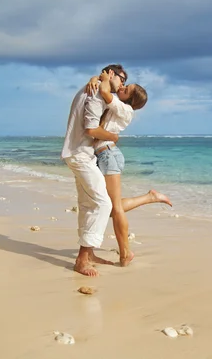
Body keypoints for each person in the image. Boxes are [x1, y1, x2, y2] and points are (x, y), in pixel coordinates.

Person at [87, 72, 172, 266]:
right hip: (103, 155)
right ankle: (150, 197)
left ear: (131, 99)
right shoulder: (117, 104)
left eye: (127, 89)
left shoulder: (126, 110)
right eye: (125, 85)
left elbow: (106, 93)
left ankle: (125, 253)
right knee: (106, 208)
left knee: (114, 208)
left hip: (109, 156)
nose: (123, 88)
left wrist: (103, 78)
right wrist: (95, 79)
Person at [61, 64, 127, 277]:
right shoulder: (97, 91)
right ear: (109, 73)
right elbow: (91, 128)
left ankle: (89, 254)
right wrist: (113, 137)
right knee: (103, 203)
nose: (122, 83)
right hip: (80, 154)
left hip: (78, 153)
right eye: (121, 78)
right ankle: (82, 259)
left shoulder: (92, 86)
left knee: (88, 203)